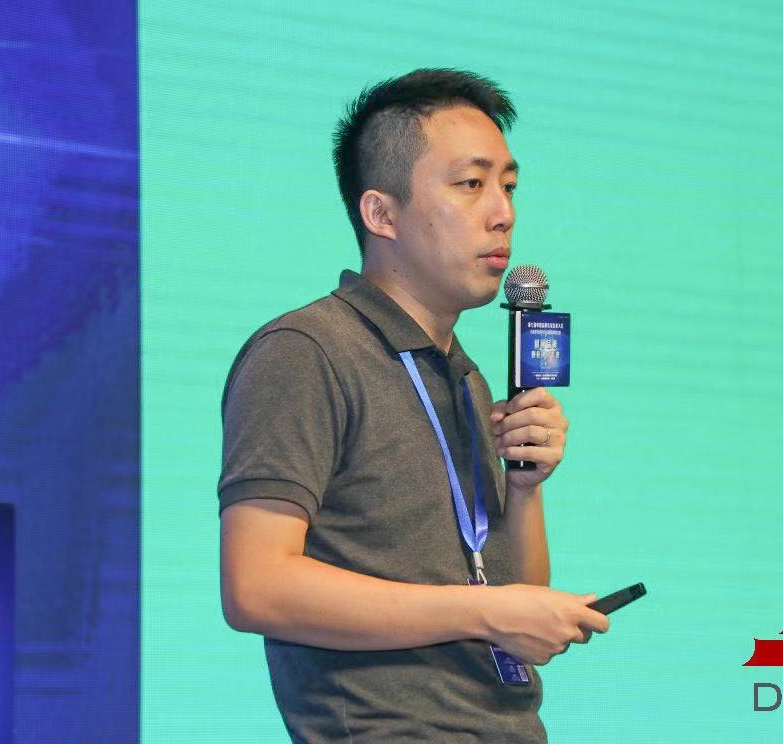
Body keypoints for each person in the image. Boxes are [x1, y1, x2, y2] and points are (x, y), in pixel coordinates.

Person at [218, 68, 609, 743]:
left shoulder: (464, 376)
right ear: (381, 214)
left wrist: (525, 488)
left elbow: (509, 597)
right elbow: (256, 587)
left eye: (509, 186)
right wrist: (484, 613)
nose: (503, 213)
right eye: (471, 184)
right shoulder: (308, 350)